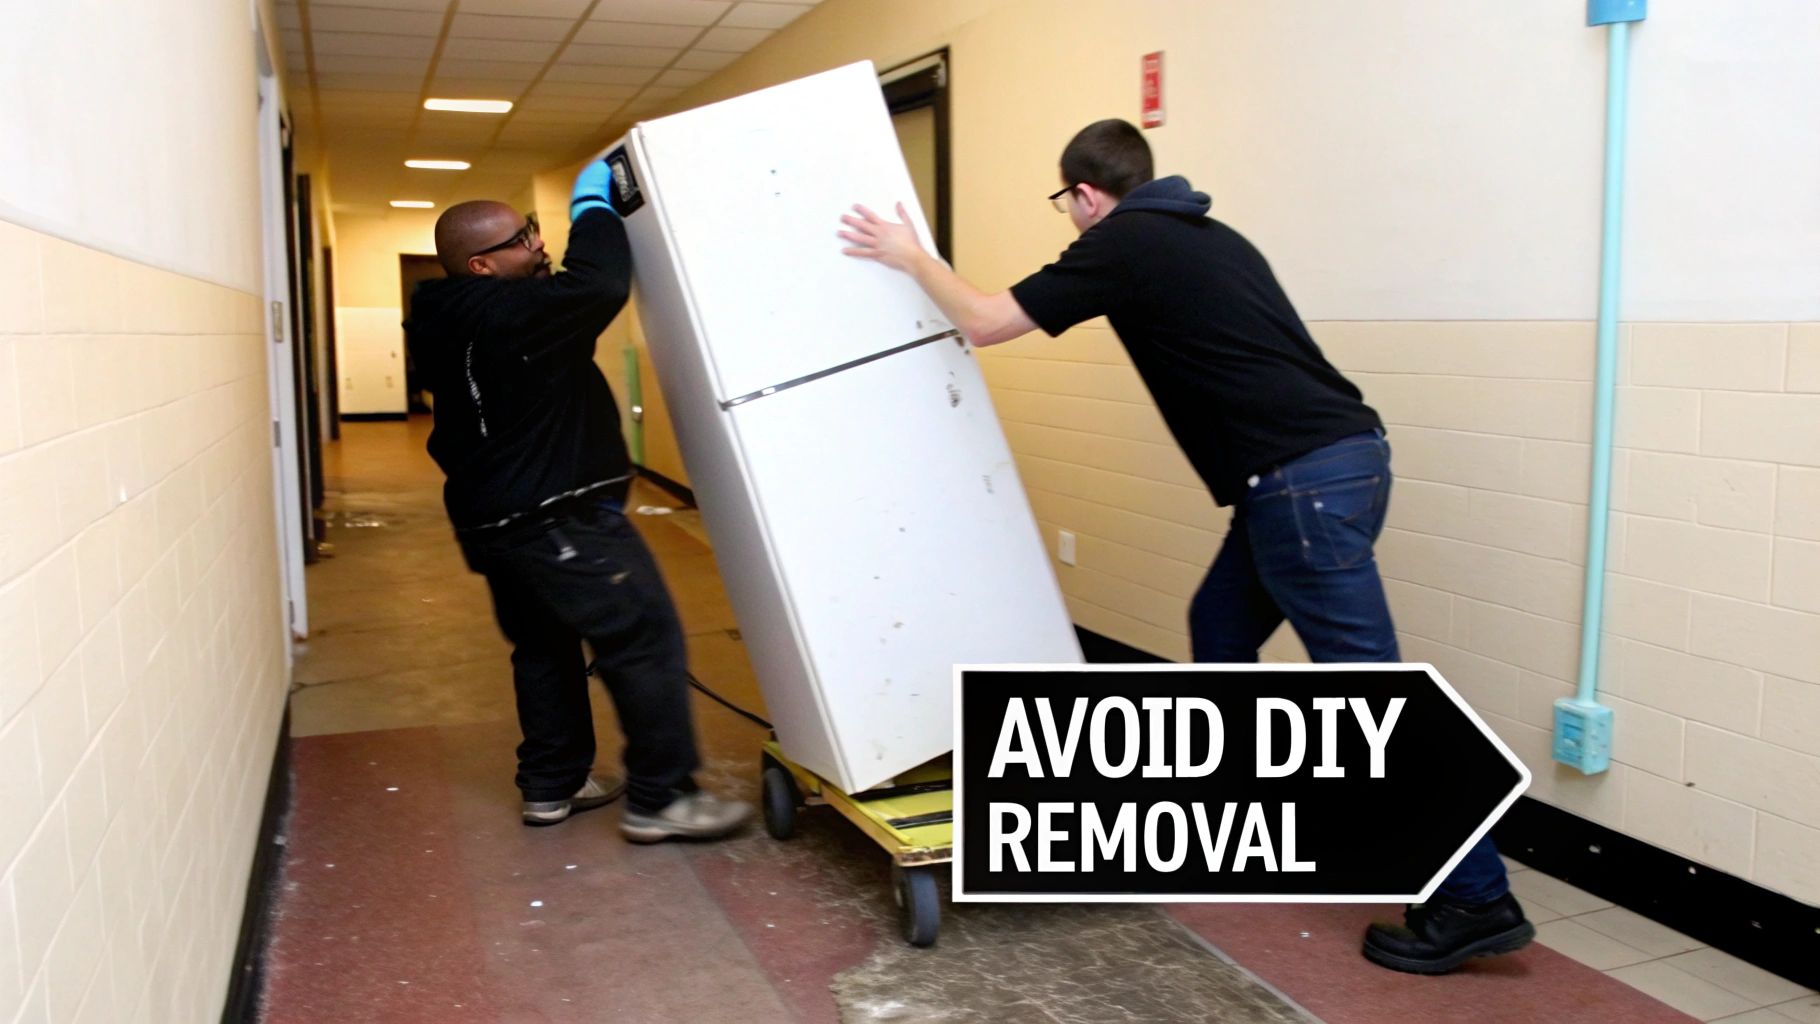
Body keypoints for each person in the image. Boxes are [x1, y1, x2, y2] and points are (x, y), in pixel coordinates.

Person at [838, 118, 1530, 973]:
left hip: (1299, 486)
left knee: (1371, 696)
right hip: (1330, 468)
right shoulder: (1208, 233)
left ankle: (1476, 898)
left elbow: (984, 322)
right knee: (1221, 628)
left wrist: (910, 255)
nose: (1069, 218)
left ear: (1087, 194)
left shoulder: (1123, 242)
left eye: (1066, 203)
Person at [407, 159, 750, 843]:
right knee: (642, 636)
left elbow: (562, 323)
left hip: (496, 520)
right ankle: (661, 799)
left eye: (533, 230)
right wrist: (591, 206)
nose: (538, 243)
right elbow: (596, 284)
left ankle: (550, 785)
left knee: (544, 645)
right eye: (522, 238)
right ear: (481, 265)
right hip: (554, 517)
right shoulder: (505, 314)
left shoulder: (454, 314)